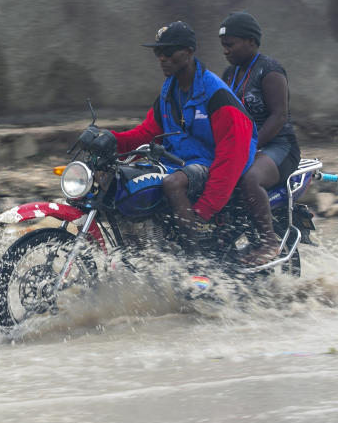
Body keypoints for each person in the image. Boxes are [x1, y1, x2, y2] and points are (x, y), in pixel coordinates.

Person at [110, 21, 270, 261]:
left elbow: (232, 157)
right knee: (124, 178)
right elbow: (147, 133)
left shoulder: (216, 94)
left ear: (188, 53)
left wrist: (205, 209)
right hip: (181, 161)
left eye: (169, 52)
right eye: (158, 53)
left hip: (211, 163)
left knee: (173, 184)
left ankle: (195, 263)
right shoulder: (169, 91)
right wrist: (110, 140)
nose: (162, 58)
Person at [219, 11, 301, 258]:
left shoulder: (270, 70)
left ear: (251, 41)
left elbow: (279, 116)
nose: (225, 51)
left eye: (230, 45)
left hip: (279, 146)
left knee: (249, 179)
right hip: (245, 147)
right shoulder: (229, 75)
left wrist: (250, 146)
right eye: (223, 46)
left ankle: (269, 242)